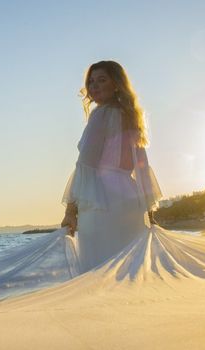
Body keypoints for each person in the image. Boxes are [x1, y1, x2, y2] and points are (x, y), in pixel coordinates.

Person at [60, 60, 163, 273]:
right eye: (91, 81)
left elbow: (85, 164)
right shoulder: (133, 117)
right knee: (129, 270)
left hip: (101, 201)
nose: (94, 86)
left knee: (98, 271)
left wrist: (71, 210)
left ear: (116, 83)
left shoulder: (101, 114)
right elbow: (142, 168)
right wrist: (149, 215)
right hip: (130, 200)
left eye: (102, 80)